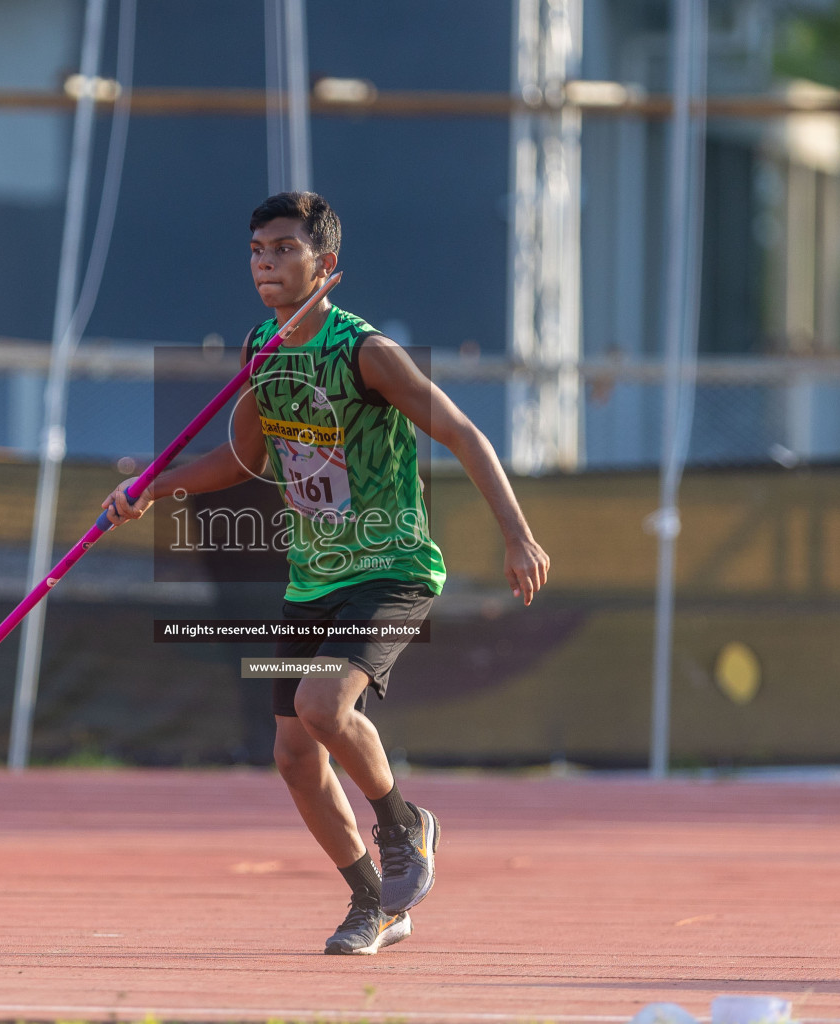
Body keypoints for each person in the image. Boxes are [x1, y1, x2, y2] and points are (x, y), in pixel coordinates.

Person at [102, 191, 550, 955]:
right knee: (293, 755)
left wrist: (518, 536)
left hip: (393, 569)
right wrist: (153, 484)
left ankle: (404, 826)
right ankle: (374, 903)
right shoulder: (262, 349)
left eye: (283, 249)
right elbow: (242, 457)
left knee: (321, 704)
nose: (266, 264)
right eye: (256, 251)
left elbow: (464, 432)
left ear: (325, 264)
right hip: (313, 577)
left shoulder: (364, 352)